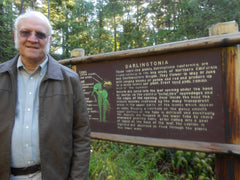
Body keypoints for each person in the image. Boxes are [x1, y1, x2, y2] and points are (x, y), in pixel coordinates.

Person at [0, 9, 91, 180]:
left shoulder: (70, 80)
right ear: (15, 36)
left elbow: (81, 137)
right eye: (25, 32)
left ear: (49, 40)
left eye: (40, 35)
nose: (32, 39)